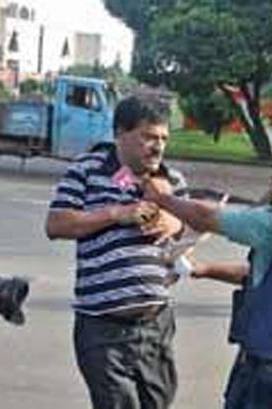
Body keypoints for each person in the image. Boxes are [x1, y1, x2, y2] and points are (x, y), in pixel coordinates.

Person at [143, 137, 272, 409]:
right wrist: (203, 269)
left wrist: (161, 198)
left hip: (269, 379)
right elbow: (270, 276)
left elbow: (206, 217)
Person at [45, 95, 185, 409]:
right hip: (103, 326)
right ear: (120, 133)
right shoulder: (87, 169)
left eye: (163, 138)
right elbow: (56, 224)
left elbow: (189, 225)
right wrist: (116, 214)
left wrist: (172, 219)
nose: (157, 147)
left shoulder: (170, 179)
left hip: (156, 324)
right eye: (148, 136)